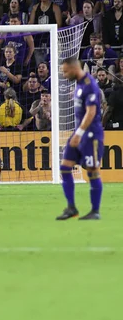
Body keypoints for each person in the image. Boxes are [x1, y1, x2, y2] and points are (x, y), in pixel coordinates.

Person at [56, 58, 104, 220]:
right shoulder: (79, 84)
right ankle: (71, 208)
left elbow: (91, 113)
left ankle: (95, 211)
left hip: (90, 135)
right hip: (78, 133)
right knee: (65, 167)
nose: (63, 74)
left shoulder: (90, 85)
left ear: (74, 68)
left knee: (92, 171)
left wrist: (79, 133)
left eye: (65, 71)